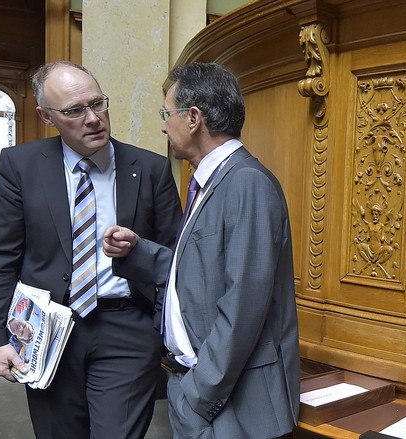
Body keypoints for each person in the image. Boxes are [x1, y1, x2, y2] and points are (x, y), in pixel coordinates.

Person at [0, 61, 182, 438]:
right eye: (74, 111)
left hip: (126, 327)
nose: (93, 118)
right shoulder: (20, 166)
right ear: (46, 116)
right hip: (47, 330)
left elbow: (175, 258)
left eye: (98, 104)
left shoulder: (151, 169)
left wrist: (158, 329)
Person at [104, 62, 300, 439]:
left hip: (228, 403)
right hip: (200, 388)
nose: (164, 125)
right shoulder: (211, 180)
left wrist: (197, 396)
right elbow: (201, 271)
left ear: (193, 118)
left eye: (167, 113)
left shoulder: (247, 183)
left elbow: (243, 307)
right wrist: (137, 251)